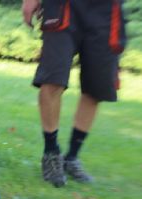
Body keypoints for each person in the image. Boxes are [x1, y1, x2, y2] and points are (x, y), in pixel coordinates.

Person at [22, 0, 126, 187]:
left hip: (108, 12)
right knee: (52, 79)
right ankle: (51, 152)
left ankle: (71, 158)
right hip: (64, 6)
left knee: (97, 88)